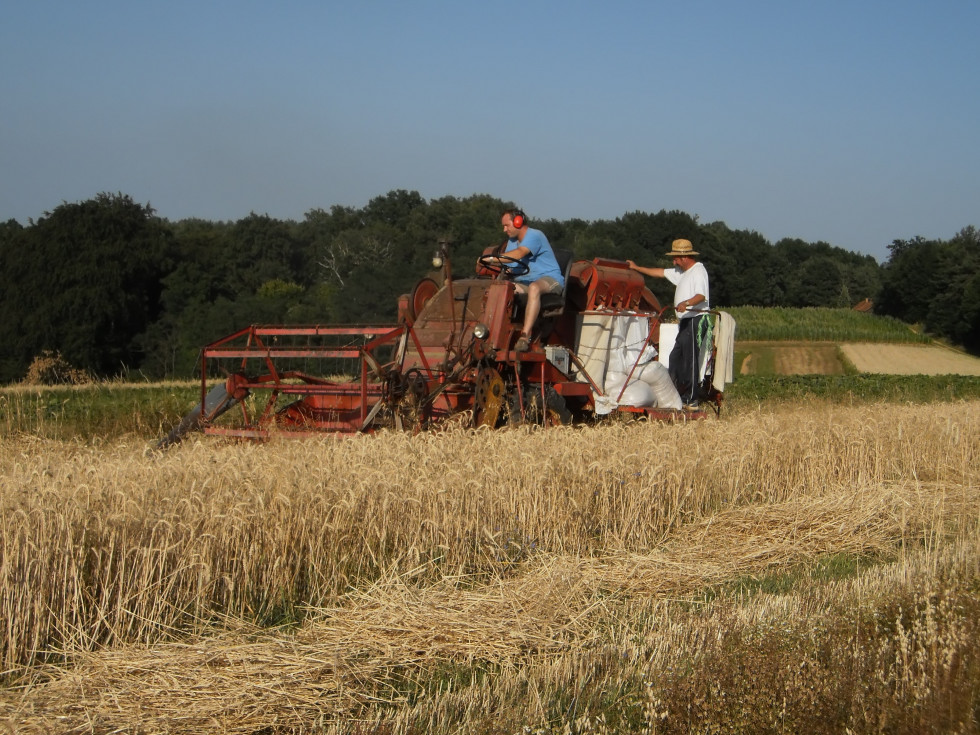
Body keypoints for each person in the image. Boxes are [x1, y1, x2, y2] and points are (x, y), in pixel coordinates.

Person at [627, 238, 710, 407]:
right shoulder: (682, 273)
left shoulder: (698, 271)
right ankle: (676, 394)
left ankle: (691, 398)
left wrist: (685, 303)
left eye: (676, 258)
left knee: (689, 360)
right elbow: (659, 272)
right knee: (675, 358)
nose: (674, 261)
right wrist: (636, 268)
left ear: (685, 257)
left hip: (696, 319)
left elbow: (701, 296)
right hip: (685, 321)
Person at [485, 208, 565, 351]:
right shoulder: (512, 241)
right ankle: (489, 332)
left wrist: (492, 259)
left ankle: (524, 336)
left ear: (518, 222)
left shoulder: (535, 235)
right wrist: (504, 270)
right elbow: (511, 263)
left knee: (535, 287)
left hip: (549, 279)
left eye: (506, 225)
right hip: (526, 280)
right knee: (501, 287)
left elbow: (518, 254)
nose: (504, 230)